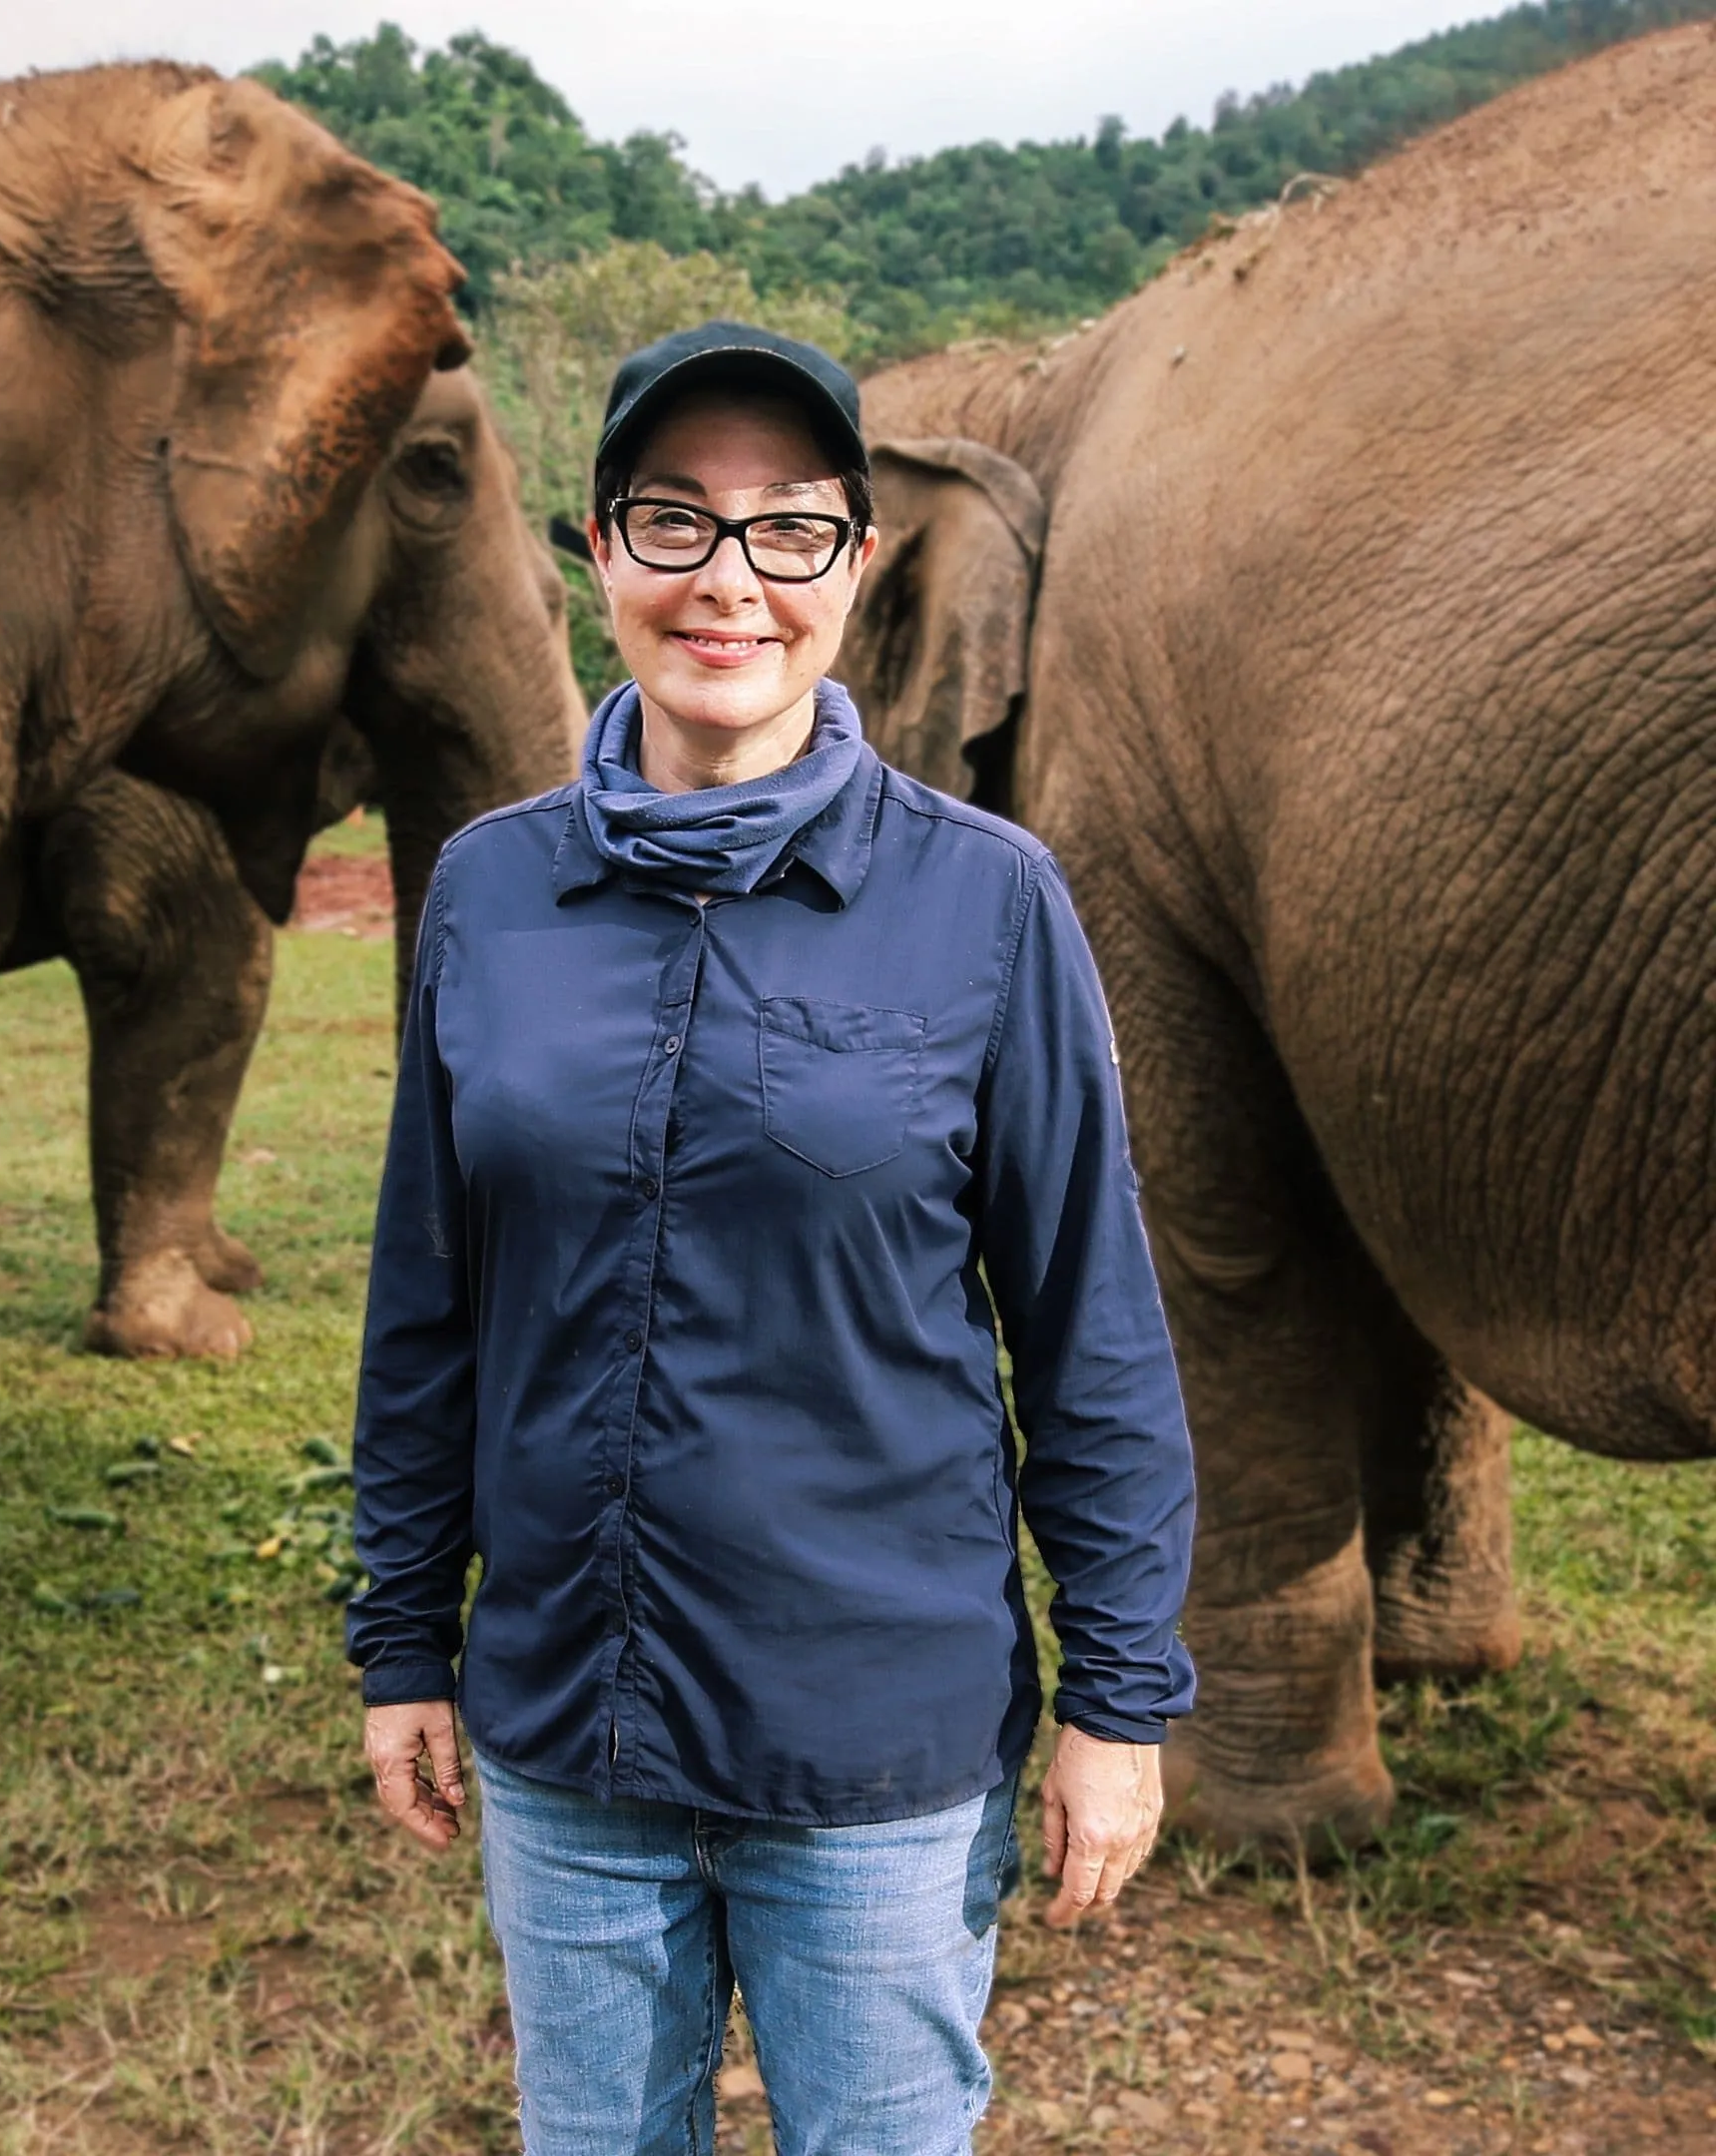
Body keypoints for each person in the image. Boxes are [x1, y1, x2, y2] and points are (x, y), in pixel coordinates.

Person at [343, 321, 1197, 2156]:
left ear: (859, 570)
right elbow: (431, 1307)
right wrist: (403, 1641)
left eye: (787, 530)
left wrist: (1121, 1702)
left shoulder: (988, 902)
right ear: (599, 554)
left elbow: (1091, 1334)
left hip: (874, 1755)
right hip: (573, 1734)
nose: (729, 579)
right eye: (676, 523)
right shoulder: (494, 887)